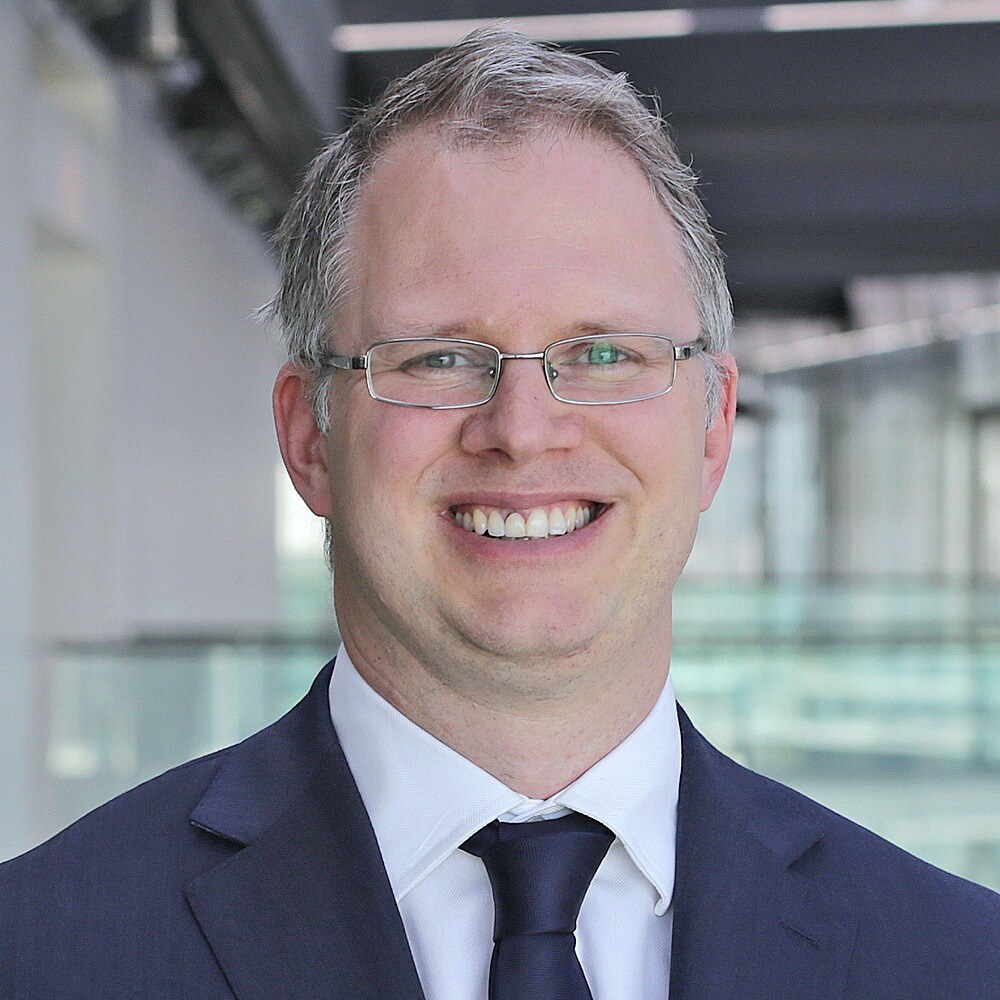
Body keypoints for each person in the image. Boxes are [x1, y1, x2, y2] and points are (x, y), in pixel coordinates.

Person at [1, 27, 997, 1000]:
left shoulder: (958, 962)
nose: (522, 431)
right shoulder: (39, 953)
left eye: (603, 353)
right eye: (438, 357)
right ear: (310, 438)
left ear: (711, 428)